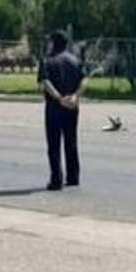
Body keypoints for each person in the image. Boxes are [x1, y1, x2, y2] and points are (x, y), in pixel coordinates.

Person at [39, 31, 85, 191]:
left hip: (54, 107)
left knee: (54, 144)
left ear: (53, 43)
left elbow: (45, 82)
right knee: (71, 141)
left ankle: (56, 179)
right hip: (72, 107)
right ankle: (73, 177)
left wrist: (59, 98)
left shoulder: (47, 61)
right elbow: (84, 80)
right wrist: (75, 96)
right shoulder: (75, 60)